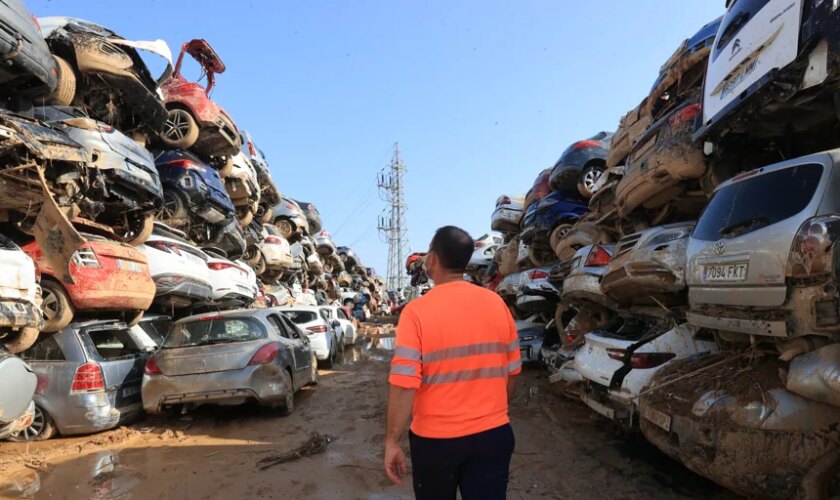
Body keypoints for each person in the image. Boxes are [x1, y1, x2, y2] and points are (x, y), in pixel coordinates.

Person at [384, 226, 521, 500]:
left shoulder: (416, 313)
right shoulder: (496, 304)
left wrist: (392, 442)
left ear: (432, 259)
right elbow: (513, 372)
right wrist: (491, 412)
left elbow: (403, 385)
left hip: (435, 443)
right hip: (493, 437)